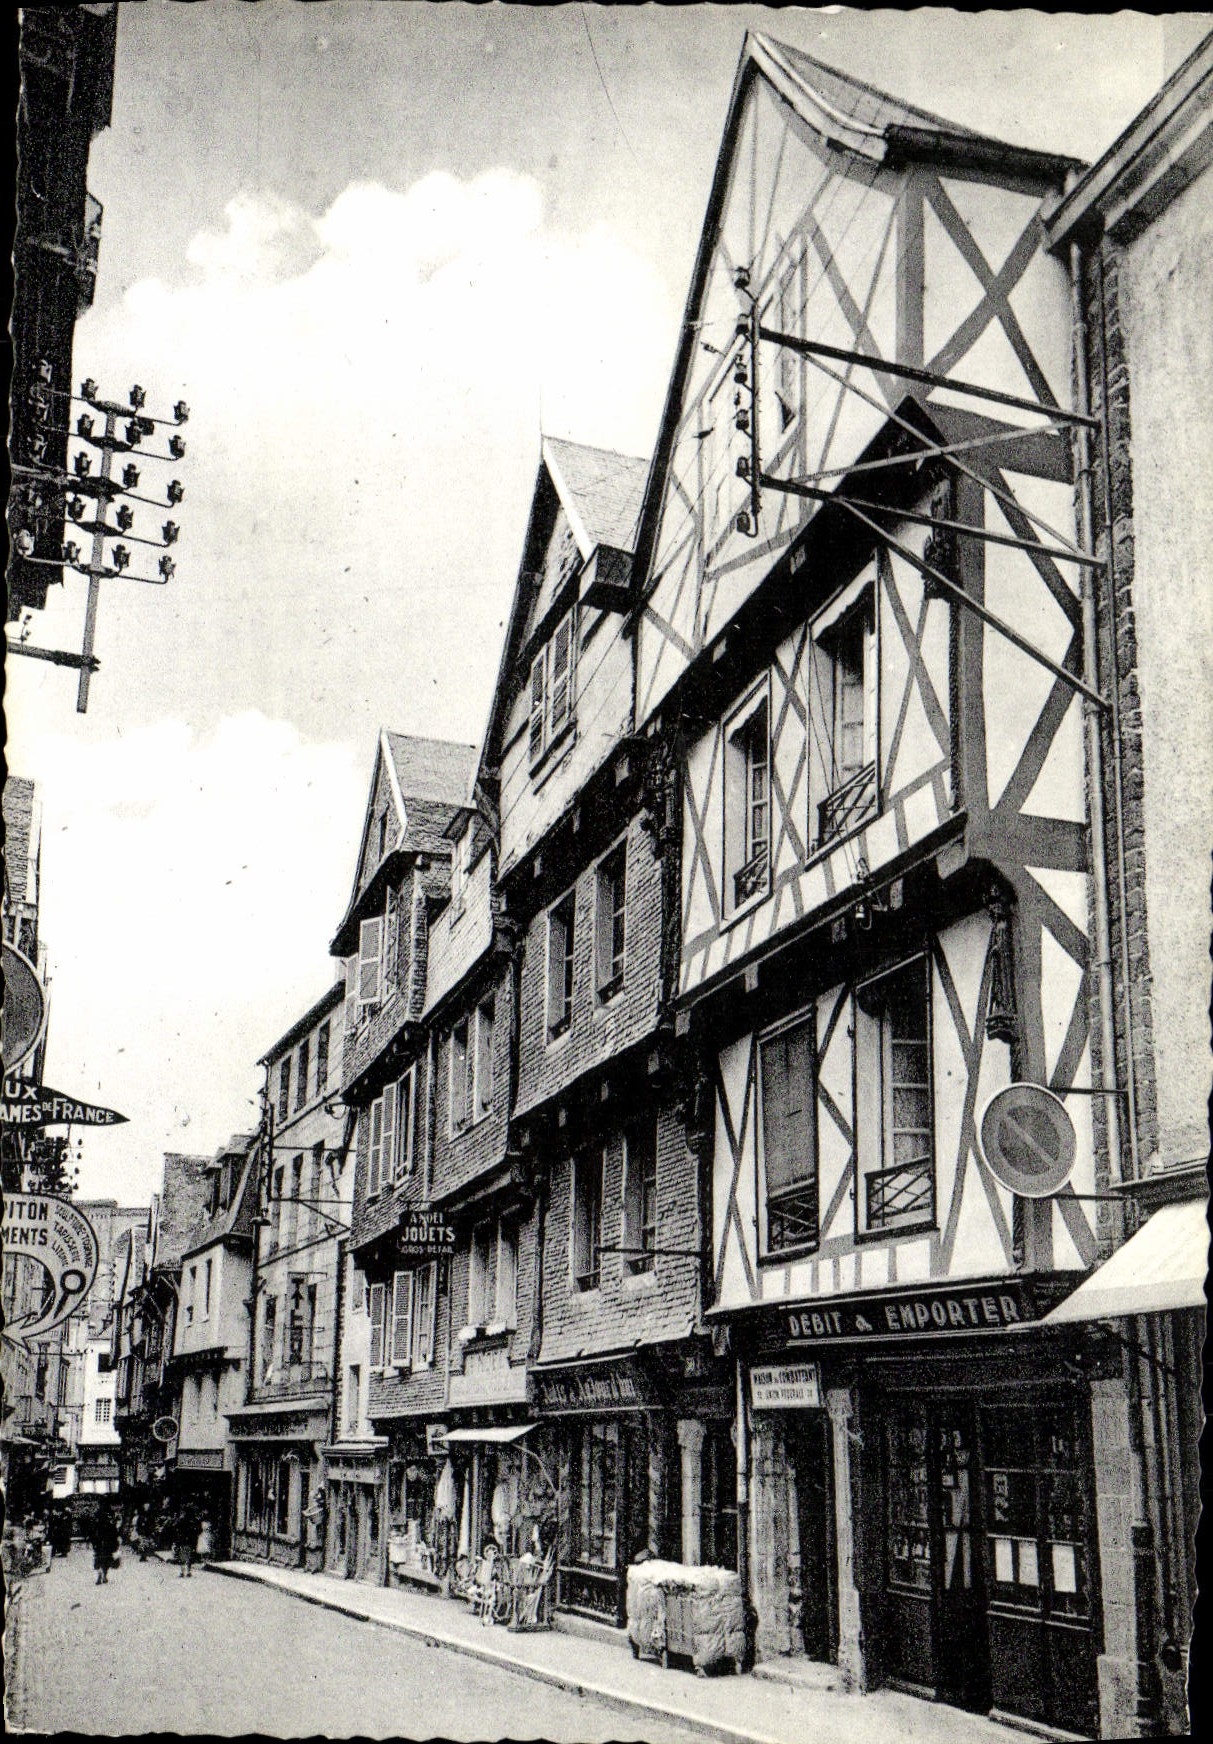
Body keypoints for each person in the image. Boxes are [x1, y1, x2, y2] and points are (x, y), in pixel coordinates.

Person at [171, 1497, 200, 1578]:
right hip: (192, 1540)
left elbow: (176, 1529)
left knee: (183, 1557)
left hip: (183, 1540)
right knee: (190, 1556)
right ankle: (189, 1571)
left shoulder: (182, 1520)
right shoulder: (195, 1521)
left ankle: (182, 1571)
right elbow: (199, 1530)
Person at [91, 1506, 120, 1585]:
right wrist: (115, 1545)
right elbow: (115, 1535)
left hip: (99, 1544)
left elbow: (93, 1534)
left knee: (98, 1560)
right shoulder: (110, 1524)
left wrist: (94, 1543)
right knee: (106, 1561)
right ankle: (104, 1575)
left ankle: (99, 1574)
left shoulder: (96, 1523)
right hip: (108, 1545)